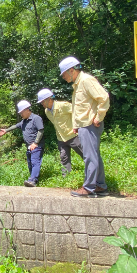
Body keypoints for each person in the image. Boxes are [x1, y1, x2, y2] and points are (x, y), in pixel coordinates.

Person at [58, 56, 110, 198]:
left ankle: (89, 187)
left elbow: (103, 98)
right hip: (83, 125)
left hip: (90, 125)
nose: (63, 77)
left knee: (90, 157)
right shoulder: (77, 84)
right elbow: (78, 107)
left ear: (71, 70)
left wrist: (99, 117)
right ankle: (100, 185)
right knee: (94, 156)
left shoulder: (86, 80)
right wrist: (76, 125)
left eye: (63, 74)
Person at [37, 88, 83, 177]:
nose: (42, 104)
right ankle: (66, 178)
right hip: (61, 138)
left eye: (42, 102)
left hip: (73, 136)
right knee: (64, 158)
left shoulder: (63, 105)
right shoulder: (47, 111)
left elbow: (77, 111)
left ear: (48, 99)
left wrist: (77, 125)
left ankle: (94, 176)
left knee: (85, 154)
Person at [0, 100, 44, 187]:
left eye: (21, 112)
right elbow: (15, 126)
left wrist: (35, 143)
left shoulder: (36, 118)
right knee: (30, 164)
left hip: (36, 146)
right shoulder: (24, 121)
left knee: (35, 162)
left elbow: (41, 131)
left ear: (27, 110)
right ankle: (33, 180)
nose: (21, 114)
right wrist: (6, 130)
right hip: (29, 147)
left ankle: (33, 180)